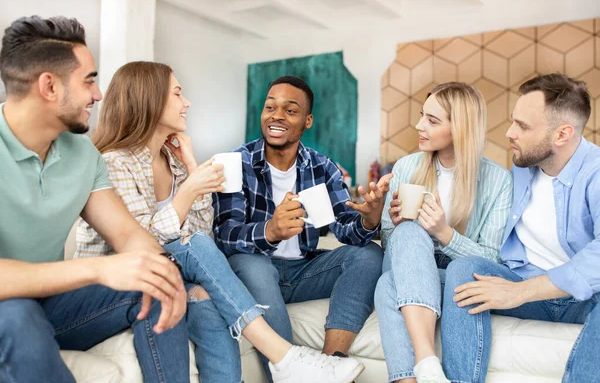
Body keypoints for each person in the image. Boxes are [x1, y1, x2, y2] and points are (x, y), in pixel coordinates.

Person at [76, 61, 363, 383]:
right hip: (119, 277)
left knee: (207, 300)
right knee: (218, 261)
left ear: (307, 121)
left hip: (172, 269)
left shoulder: (174, 161)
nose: (187, 103)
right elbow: (138, 245)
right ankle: (285, 357)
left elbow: (201, 233)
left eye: (290, 110)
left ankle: (299, 362)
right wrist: (192, 191)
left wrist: (189, 165)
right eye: (178, 94)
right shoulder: (115, 163)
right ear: (150, 100)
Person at [0, 16, 190, 383]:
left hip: (48, 306)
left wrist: (163, 270)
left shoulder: (83, 155)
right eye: (89, 80)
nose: (98, 94)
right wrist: (98, 268)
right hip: (10, 314)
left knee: (152, 281)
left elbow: (127, 234)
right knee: (16, 314)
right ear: (49, 86)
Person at [213, 75, 391, 382]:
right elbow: (225, 235)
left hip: (303, 271)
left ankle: (330, 363)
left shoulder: (322, 167)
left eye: (290, 110)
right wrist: (270, 230)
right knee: (250, 263)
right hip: (255, 269)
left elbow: (346, 230)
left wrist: (369, 219)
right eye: (270, 107)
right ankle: (289, 371)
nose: (277, 115)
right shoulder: (236, 163)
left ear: (307, 121)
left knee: (368, 255)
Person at [441, 73, 600, 383]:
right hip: (527, 289)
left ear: (562, 134)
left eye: (523, 126)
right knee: (464, 271)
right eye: (513, 121)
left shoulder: (596, 172)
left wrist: (519, 292)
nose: (510, 133)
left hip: (585, 299)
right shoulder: (524, 165)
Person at [375, 82, 513, 383]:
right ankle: (427, 361)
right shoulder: (406, 167)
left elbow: (493, 260)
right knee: (409, 232)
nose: (419, 125)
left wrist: (444, 233)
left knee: (387, 285)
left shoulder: (497, 181)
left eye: (432, 121)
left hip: (451, 276)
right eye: (422, 115)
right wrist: (396, 226)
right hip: (411, 265)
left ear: (460, 128)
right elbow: (389, 242)